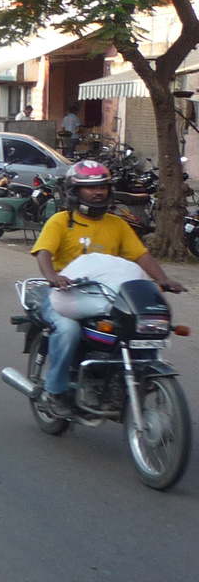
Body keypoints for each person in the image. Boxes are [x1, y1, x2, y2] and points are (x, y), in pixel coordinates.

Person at [31, 159, 183, 415]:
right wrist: (53, 277)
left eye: (102, 186)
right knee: (68, 330)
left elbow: (141, 256)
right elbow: (43, 253)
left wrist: (163, 280)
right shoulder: (60, 221)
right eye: (90, 187)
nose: (98, 192)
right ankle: (55, 392)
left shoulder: (118, 224)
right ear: (75, 191)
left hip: (107, 296)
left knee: (143, 327)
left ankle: (133, 381)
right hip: (64, 295)